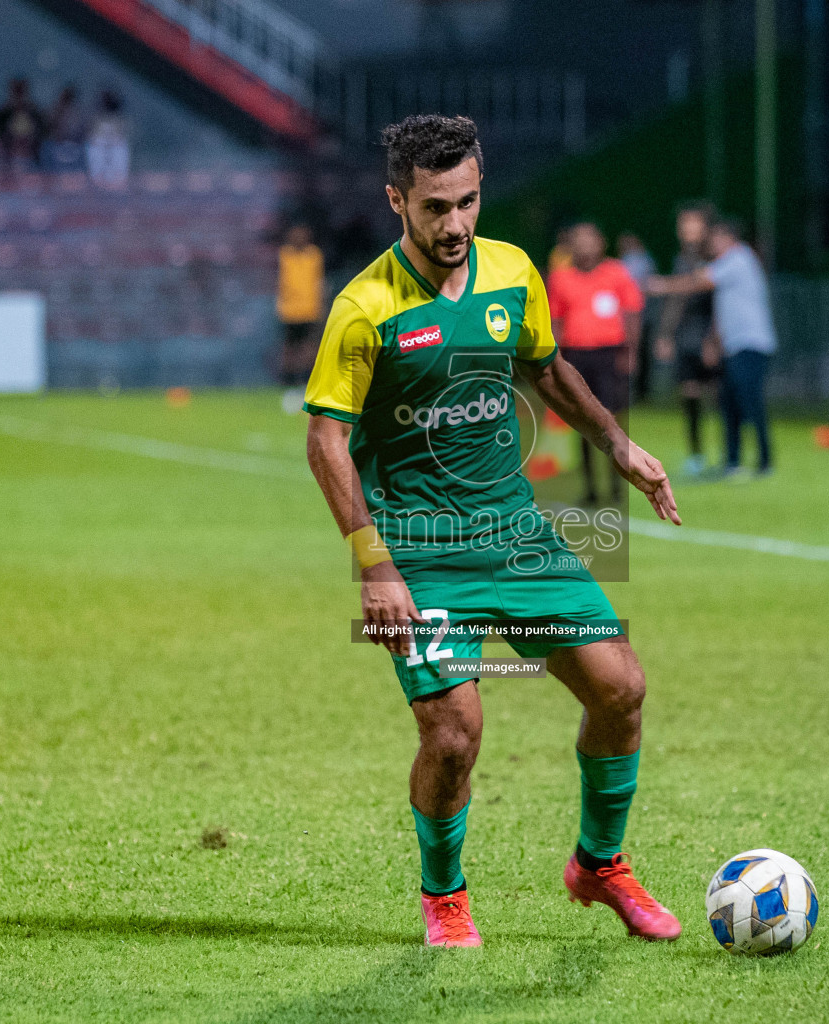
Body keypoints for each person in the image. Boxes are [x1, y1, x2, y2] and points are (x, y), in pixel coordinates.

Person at [303, 114, 682, 948]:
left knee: (621, 689)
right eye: (436, 207)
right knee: (455, 733)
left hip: (518, 534)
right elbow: (326, 437)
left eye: (468, 202)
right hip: (420, 552)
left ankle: (600, 864)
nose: (456, 225)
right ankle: (446, 896)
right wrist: (373, 566)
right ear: (396, 199)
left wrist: (618, 445)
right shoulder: (363, 308)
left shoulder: (511, 272)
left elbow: (546, 369)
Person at [649, 217, 777, 477]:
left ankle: (765, 462)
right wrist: (713, 342)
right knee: (729, 403)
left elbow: (699, 281)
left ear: (731, 239)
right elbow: (722, 312)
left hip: (751, 343)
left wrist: (663, 285)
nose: (714, 244)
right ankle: (732, 462)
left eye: (718, 239)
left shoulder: (739, 258)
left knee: (751, 403)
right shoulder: (729, 264)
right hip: (733, 346)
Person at [547, 222, 645, 504]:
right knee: (584, 421)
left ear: (601, 243)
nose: (584, 246)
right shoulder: (561, 278)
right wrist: (557, 361)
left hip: (610, 353)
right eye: (578, 240)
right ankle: (590, 486)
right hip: (576, 356)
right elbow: (556, 320)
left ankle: (618, 484)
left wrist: (631, 351)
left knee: (615, 419)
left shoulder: (616, 272)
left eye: (589, 240)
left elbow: (632, 312)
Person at [653, 203, 717, 477]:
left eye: (693, 223)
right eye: (683, 224)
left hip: (708, 334)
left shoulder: (715, 257)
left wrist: (713, 337)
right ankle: (697, 455)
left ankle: (729, 458)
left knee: (719, 395)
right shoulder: (682, 259)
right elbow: (676, 303)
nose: (687, 229)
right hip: (685, 335)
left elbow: (718, 299)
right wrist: (665, 335)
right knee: (689, 393)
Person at [276, 224, 326, 411]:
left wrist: (321, 306)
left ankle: (305, 383)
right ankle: (288, 384)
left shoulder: (314, 255)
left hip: (310, 310)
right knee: (290, 349)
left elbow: (319, 282)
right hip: (289, 311)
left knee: (309, 349)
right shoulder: (285, 254)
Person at [617, 231, 660, 402]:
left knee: (634, 353)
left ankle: (635, 392)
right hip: (640, 314)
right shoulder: (644, 260)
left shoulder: (632, 262)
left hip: (637, 314)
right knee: (637, 354)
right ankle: (636, 392)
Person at [0, 78, 45, 170]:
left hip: (32, 161)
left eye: (21, 91)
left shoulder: (34, 113)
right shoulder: (3, 114)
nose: (19, 94)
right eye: (16, 91)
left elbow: (43, 132)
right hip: (7, 159)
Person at [86, 90, 130, 189]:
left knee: (119, 147)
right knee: (95, 145)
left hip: (116, 149)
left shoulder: (119, 121)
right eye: (105, 101)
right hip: (98, 147)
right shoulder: (96, 120)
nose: (106, 105)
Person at [43, 84, 88, 171]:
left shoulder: (78, 112)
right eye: (65, 96)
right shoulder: (55, 109)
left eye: (69, 96)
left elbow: (81, 130)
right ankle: (49, 175)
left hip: (74, 144)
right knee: (47, 147)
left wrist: (72, 138)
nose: (66, 98)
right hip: (56, 143)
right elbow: (49, 127)